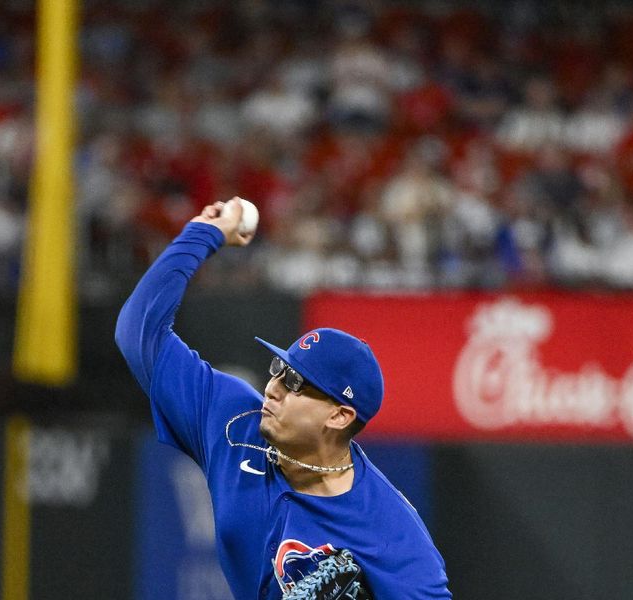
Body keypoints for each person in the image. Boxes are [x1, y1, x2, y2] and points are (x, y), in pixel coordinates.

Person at [116, 197, 452, 598]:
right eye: (279, 369)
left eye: (295, 382)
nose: (273, 387)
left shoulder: (390, 530)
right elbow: (139, 332)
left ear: (340, 416)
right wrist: (203, 234)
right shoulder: (234, 420)